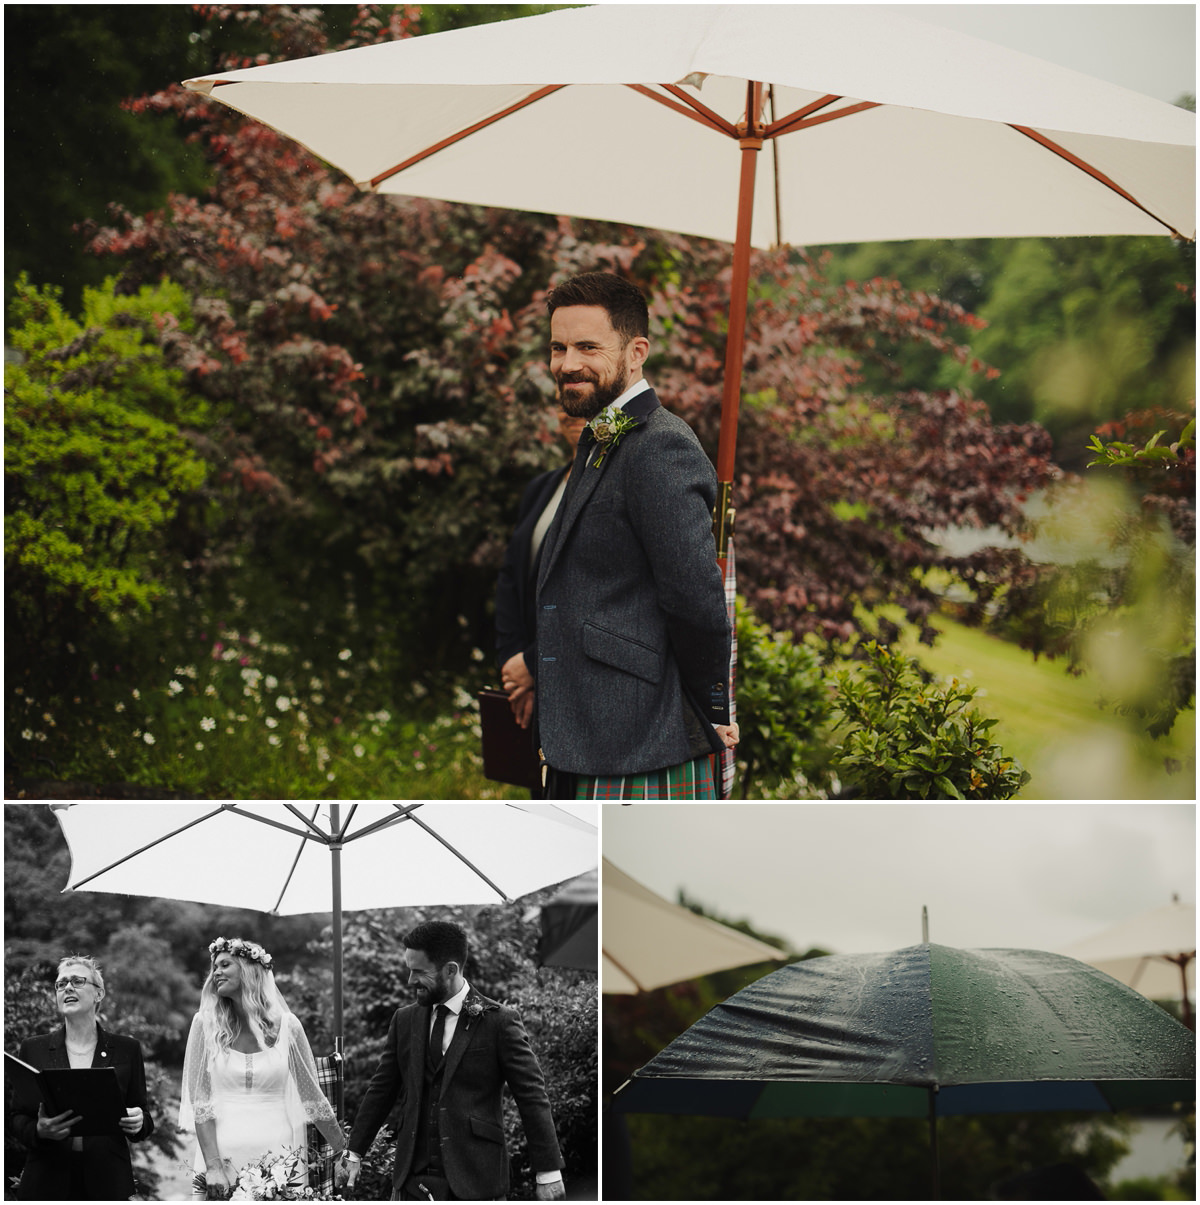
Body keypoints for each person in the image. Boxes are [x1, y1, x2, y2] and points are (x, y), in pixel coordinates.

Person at [532, 270, 738, 799]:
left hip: (643, 735)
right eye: (558, 347)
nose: (566, 364)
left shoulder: (660, 447)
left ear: (635, 352)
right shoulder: (601, 437)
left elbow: (696, 598)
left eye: (587, 347)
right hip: (586, 728)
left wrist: (708, 709)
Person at [337, 920, 565, 1201]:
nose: (410, 980)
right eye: (409, 970)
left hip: (477, 1179)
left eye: (419, 972)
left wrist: (548, 1171)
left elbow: (532, 1095)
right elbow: (381, 1090)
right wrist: (354, 1151)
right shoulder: (404, 1020)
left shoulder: (500, 1022)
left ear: (451, 969)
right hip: (411, 1180)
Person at [179, 936, 344, 1198]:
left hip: (280, 1156)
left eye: (225, 965)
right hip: (221, 1159)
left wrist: (343, 1151)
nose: (216, 973)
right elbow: (201, 1101)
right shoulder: (204, 1025)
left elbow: (313, 1097)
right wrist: (213, 1167)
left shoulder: (289, 1027)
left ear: (249, 970)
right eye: (214, 967)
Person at [10, 955, 154, 1200]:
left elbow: (144, 1116)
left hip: (107, 1182)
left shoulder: (127, 1049)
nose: (67, 987)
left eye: (77, 981)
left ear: (99, 994)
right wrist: (38, 1130)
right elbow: (15, 1118)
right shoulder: (33, 1049)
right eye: (61, 983)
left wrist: (140, 1123)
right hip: (46, 1180)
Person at [495, 406, 588, 731]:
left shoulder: (606, 489)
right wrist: (514, 663)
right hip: (524, 680)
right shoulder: (541, 487)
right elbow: (510, 578)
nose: (571, 412)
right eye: (563, 400)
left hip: (575, 681)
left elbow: (586, 595)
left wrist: (534, 666)